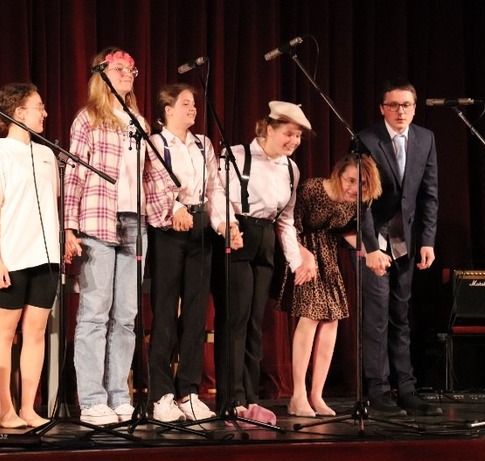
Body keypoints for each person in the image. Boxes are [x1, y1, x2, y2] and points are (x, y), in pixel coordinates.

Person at [63, 48, 177, 426]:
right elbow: (75, 174)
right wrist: (69, 227)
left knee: (126, 315)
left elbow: (150, 175)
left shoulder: (138, 122)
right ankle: (92, 399)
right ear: (101, 73)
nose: (128, 73)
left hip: (134, 222)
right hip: (98, 221)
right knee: (95, 313)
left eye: (132, 69)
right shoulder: (88, 119)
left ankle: (118, 395)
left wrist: (169, 208)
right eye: (119, 68)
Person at [209, 101, 314, 423]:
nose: (293, 141)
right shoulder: (236, 156)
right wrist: (227, 226)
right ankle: (231, 398)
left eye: (298, 136)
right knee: (235, 319)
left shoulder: (290, 169)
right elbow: (216, 195)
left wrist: (295, 260)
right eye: (288, 133)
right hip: (237, 235)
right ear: (268, 129)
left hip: (265, 241)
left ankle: (250, 397)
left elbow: (286, 220)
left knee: (255, 322)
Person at [0, 82, 67, 429]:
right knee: (5, 332)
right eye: (38, 106)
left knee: (35, 332)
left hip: (45, 257)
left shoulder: (47, 155)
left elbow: (50, 205)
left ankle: (28, 408)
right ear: (18, 112)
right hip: (12, 257)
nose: (45, 113)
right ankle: (6, 409)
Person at [356, 78, 441, 417]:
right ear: (382, 108)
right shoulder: (365, 140)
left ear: (415, 108)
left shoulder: (425, 138)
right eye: (393, 105)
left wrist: (428, 241)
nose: (400, 111)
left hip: (405, 240)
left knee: (401, 316)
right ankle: (378, 389)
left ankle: (406, 389)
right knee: (377, 317)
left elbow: (429, 195)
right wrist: (369, 247)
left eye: (406, 105)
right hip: (374, 239)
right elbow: (360, 202)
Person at [276, 154, 382, 417]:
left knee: (331, 320)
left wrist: (371, 253)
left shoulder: (356, 203)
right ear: (338, 174)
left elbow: (346, 231)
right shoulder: (312, 188)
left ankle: (316, 395)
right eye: (350, 180)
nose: (354, 188)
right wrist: (302, 255)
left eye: (362, 184)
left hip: (328, 257)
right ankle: (298, 395)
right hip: (301, 253)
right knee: (311, 316)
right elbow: (287, 225)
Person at [146, 83, 222, 422]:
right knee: (165, 310)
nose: (193, 108)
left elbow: (214, 187)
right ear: (168, 109)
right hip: (168, 227)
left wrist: (222, 222)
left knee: (195, 311)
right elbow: (151, 183)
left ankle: (189, 390)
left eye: (194, 104)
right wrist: (175, 207)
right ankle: (161, 394)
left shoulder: (203, 144)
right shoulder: (155, 142)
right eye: (186, 103)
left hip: (200, 226)